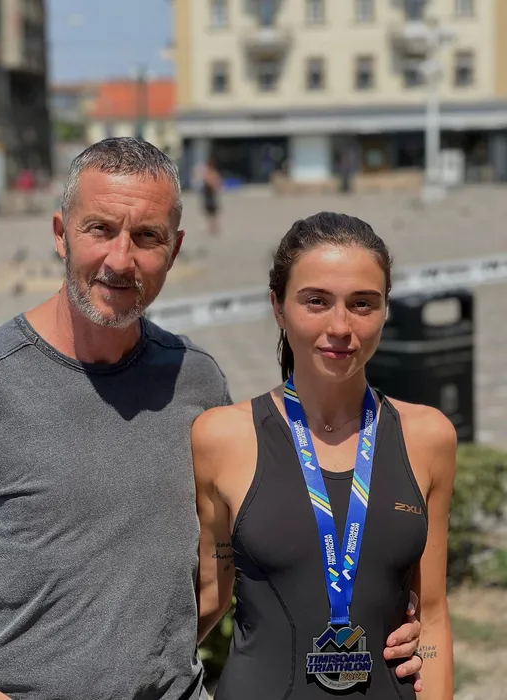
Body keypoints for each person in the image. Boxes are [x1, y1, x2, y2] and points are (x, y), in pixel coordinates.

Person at [0, 141, 422, 700]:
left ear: (174, 250)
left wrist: (393, 615)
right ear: (60, 234)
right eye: (100, 229)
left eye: (147, 236)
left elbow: (233, 567)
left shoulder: (195, 381)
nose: (120, 259)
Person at [193, 212, 455, 699]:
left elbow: (434, 615)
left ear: (385, 309)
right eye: (316, 301)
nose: (340, 326)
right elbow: (209, 595)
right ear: (278, 306)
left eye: (362, 304)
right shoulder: (221, 437)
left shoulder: (428, 437)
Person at [199, 159, 222, 237]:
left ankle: (213, 228)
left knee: (212, 212)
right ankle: (212, 228)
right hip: (209, 195)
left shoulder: (211, 172)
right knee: (211, 213)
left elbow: (212, 182)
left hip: (210, 195)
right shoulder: (210, 172)